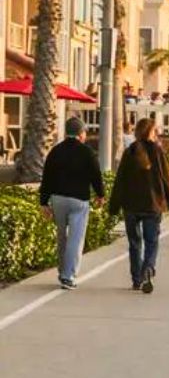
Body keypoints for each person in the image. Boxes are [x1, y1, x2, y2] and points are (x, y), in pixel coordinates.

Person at [108, 118, 169, 294]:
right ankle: (148, 268)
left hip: (131, 206)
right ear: (151, 132)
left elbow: (120, 181)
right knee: (151, 241)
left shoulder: (130, 151)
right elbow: (167, 177)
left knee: (134, 243)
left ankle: (136, 279)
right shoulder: (158, 151)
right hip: (152, 205)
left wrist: (114, 206)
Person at [39, 117, 105, 290]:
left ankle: (62, 271)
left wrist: (43, 202)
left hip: (58, 199)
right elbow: (96, 175)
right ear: (81, 133)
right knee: (75, 238)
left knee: (62, 236)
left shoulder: (56, 151)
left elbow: (47, 177)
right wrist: (100, 195)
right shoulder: (87, 152)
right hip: (79, 200)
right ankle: (68, 276)